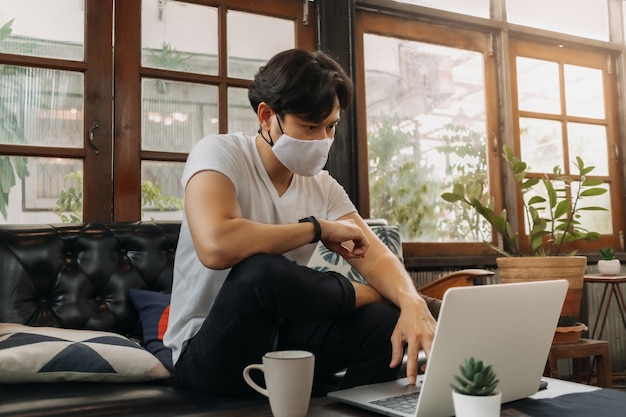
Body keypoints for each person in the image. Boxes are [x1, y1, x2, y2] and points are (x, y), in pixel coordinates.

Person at [164, 48, 437, 395]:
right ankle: (366, 295)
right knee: (262, 271)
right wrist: (317, 229)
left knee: (383, 322)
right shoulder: (219, 154)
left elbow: (376, 255)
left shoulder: (323, 186)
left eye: (330, 127)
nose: (322, 140)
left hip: (283, 343)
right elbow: (217, 245)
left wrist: (412, 303)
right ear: (267, 116)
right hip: (206, 350)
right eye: (310, 126)